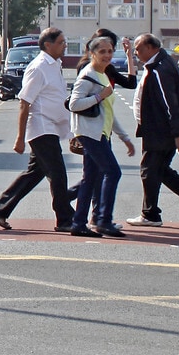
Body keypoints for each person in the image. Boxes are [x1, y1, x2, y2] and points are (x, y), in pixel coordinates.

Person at [0, 28, 75, 231]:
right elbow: (24, 103)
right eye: (61, 42)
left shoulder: (56, 65)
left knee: (34, 173)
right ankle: (65, 219)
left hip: (52, 126)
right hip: (41, 127)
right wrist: (20, 138)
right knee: (58, 173)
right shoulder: (39, 68)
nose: (65, 45)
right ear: (47, 45)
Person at [127, 33, 179, 226]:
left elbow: (170, 104)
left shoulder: (160, 69)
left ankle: (150, 215)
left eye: (138, 49)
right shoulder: (161, 63)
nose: (136, 52)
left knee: (149, 170)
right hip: (159, 130)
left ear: (150, 48)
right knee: (160, 170)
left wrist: (178, 134)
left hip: (160, 131)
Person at [66, 36, 136, 238]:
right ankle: (103, 220)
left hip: (99, 132)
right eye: (102, 51)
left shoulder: (103, 74)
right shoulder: (87, 75)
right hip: (89, 133)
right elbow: (74, 104)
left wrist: (124, 138)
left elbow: (107, 111)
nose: (107, 55)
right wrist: (99, 96)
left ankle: (79, 223)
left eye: (110, 51)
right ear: (93, 53)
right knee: (113, 172)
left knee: (90, 178)